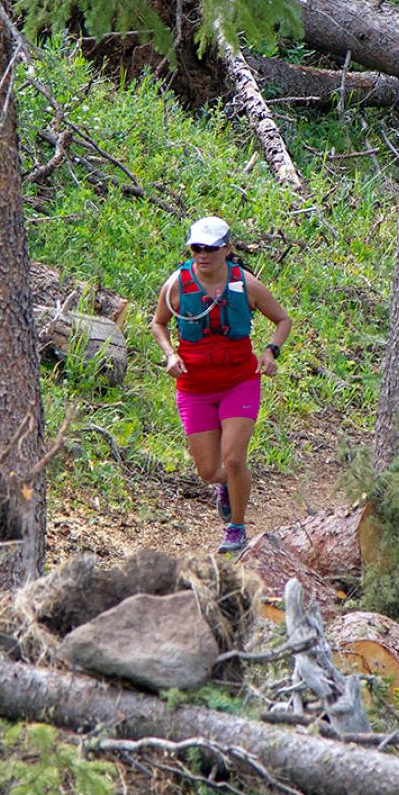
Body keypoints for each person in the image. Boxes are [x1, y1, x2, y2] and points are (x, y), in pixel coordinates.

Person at [151, 216, 291, 553]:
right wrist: (170, 354)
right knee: (210, 470)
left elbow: (283, 320)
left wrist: (271, 352)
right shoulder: (176, 285)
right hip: (194, 387)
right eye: (197, 247)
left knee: (233, 458)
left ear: (227, 249)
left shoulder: (246, 284)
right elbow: (158, 324)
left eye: (211, 248)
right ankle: (226, 487)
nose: (204, 254)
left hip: (239, 382)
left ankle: (237, 528)